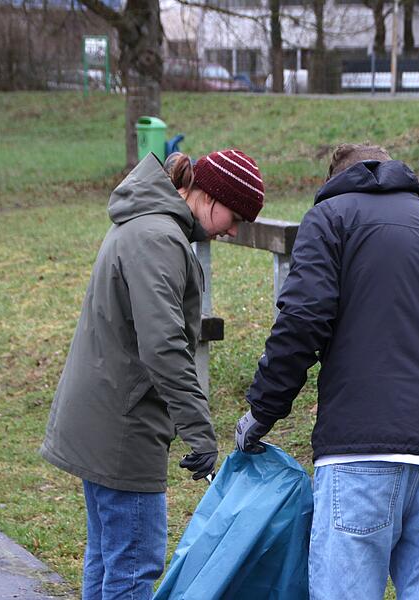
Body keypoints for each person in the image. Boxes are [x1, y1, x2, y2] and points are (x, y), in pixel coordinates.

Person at [235, 143, 419, 599]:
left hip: (359, 452)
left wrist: (262, 411)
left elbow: (302, 320)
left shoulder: (330, 219)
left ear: (336, 181)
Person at [40, 149, 265, 600]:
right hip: (123, 427)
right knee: (132, 566)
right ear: (209, 196)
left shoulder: (147, 223)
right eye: (236, 216)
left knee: (108, 558)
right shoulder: (159, 238)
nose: (233, 230)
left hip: (106, 415)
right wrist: (199, 431)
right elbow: (163, 346)